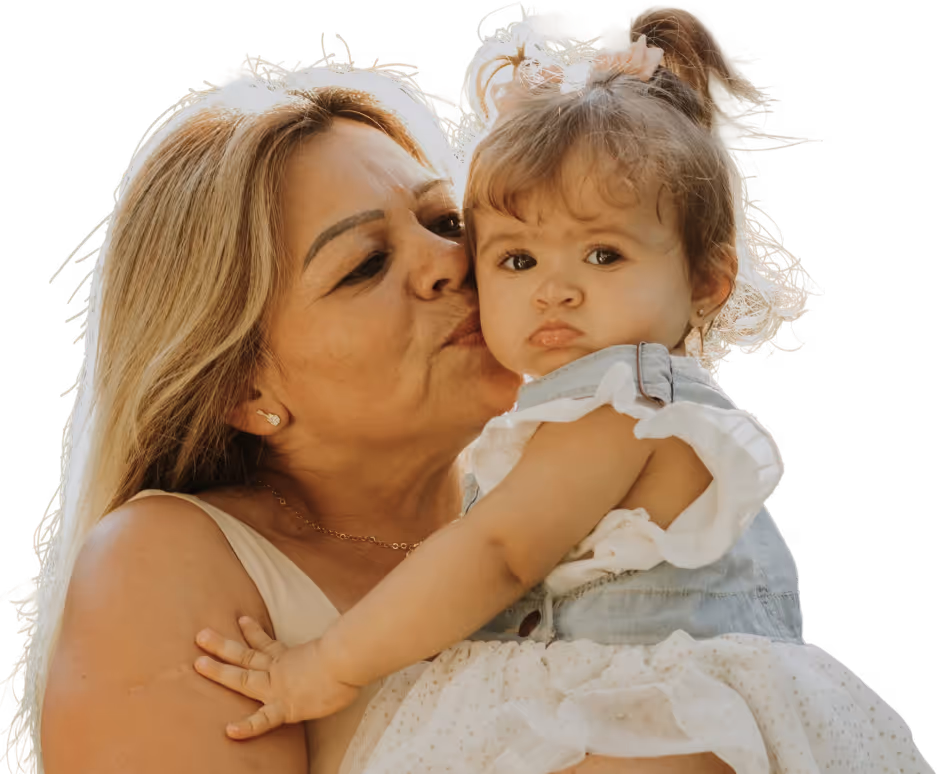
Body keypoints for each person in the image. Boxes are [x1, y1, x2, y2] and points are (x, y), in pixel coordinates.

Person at [190, 6, 934, 774]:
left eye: (603, 255)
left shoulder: (622, 403)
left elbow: (499, 553)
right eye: (517, 261)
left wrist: (325, 667)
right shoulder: (578, 406)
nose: (556, 292)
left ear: (705, 279)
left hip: (659, 716)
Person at [0, 27, 646, 774]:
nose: (449, 262)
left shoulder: (591, 491)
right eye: (365, 264)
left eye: (446, 222)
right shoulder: (164, 560)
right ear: (245, 389)